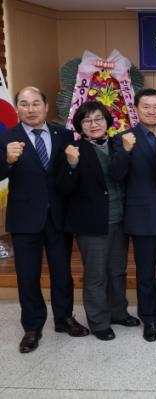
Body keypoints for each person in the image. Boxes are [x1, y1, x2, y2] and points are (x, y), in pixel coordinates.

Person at [0, 86, 88, 353]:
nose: (31, 109)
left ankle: (64, 318)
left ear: (46, 106)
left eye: (36, 103)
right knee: (28, 275)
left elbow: (68, 175)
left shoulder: (63, 135)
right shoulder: (6, 137)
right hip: (25, 218)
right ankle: (32, 326)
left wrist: (72, 165)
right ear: (17, 108)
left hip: (58, 217)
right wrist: (7, 160)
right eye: (24, 104)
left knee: (62, 272)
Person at [58, 101, 139, 341]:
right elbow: (64, 188)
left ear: (107, 122)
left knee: (117, 271)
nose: (94, 124)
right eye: (87, 120)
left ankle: (118, 312)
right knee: (96, 275)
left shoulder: (118, 143)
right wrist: (72, 165)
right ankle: (99, 321)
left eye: (98, 119)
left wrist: (125, 151)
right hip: (91, 223)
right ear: (79, 125)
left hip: (120, 219)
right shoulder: (73, 149)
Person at [110, 88, 156, 342]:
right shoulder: (123, 138)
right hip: (142, 216)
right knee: (146, 273)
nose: (152, 111)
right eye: (146, 107)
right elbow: (116, 174)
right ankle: (149, 318)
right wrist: (125, 151)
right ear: (136, 109)